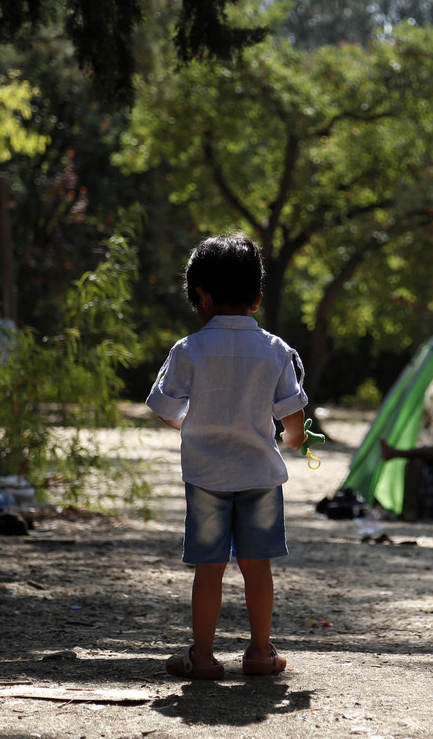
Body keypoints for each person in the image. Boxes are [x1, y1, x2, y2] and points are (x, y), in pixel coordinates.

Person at [146, 232, 309, 680]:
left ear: (200, 295)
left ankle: (201, 656)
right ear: (257, 298)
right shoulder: (276, 350)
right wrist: (294, 440)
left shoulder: (188, 349)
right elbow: (293, 420)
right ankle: (259, 652)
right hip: (260, 475)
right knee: (258, 567)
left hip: (205, 476)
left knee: (209, 569)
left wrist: (192, 427)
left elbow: (162, 407)